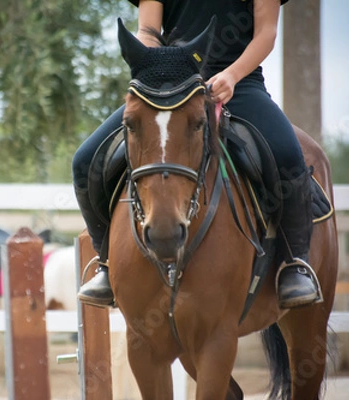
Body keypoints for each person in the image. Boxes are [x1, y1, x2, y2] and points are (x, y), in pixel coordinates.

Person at [72, 0, 321, 309]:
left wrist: (231, 75)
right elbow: (148, 30)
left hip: (240, 85)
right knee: (84, 161)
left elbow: (266, 33)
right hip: (169, 85)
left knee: (287, 154)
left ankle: (294, 265)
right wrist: (154, 63)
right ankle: (106, 263)